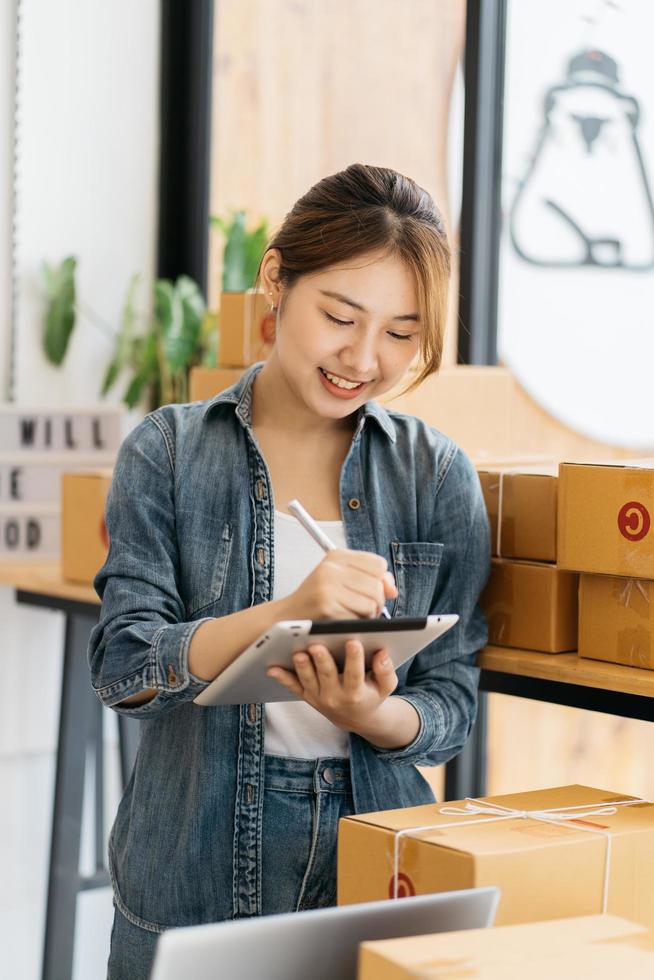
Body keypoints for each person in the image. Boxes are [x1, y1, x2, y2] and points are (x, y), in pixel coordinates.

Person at [88, 162, 490, 979]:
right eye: (340, 316)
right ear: (277, 278)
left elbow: (452, 703)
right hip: (189, 874)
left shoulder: (435, 475)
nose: (364, 357)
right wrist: (283, 614)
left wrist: (377, 716)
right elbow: (124, 667)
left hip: (376, 868)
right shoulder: (168, 452)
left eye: (401, 334)